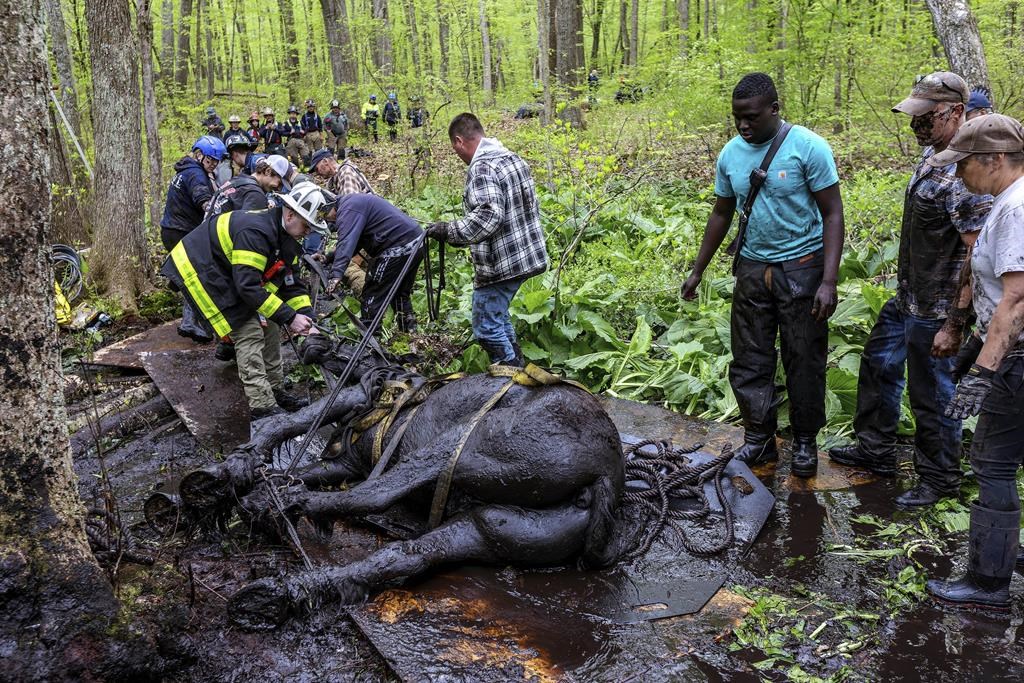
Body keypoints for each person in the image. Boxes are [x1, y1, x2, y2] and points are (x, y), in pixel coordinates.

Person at [828, 72, 992, 506]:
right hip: (908, 298)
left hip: (937, 309)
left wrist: (954, 324)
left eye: (926, 118)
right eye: (913, 117)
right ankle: (875, 450)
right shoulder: (933, 154)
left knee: (933, 395)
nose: (916, 126)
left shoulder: (966, 176)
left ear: (956, 112)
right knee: (878, 366)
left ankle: (939, 479)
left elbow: (979, 258)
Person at [679, 72, 844, 478]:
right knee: (750, 357)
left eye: (751, 117)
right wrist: (698, 270)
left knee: (803, 358)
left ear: (774, 109)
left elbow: (833, 213)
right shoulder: (731, 154)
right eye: (737, 117)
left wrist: (828, 280)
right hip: (752, 270)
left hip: (802, 268)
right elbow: (721, 211)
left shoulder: (808, 148)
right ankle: (759, 437)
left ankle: (805, 440)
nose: (743, 125)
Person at [924, 114, 1024, 609]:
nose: (959, 174)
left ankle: (988, 583)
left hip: (1017, 358)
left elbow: (1018, 299)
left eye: (965, 164)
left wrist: (984, 371)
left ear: (996, 160)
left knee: (993, 463)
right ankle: (1010, 552)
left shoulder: (1015, 211)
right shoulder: (1006, 202)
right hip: (1008, 348)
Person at [160, 182, 330, 419]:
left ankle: (275, 389)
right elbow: (248, 287)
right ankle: (262, 407)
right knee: (248, 329)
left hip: (232, 273)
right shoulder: (256, 232)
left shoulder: (288, 238)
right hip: (203, 268)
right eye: (307, 225)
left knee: (271, 324)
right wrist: (290, 317)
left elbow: (291, 284)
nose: (308, 232)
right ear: (290, 213)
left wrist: (307, 318)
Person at [425, 113, 549, 366]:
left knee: (486, 327)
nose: (458, 156)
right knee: (498, 318)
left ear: (459, 141)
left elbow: (488, 215)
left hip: (501, 265)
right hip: (524, 257)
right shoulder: (511, 158)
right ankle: (518, 365)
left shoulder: (482, 167)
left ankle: (510, 379)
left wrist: (449, 231)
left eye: (454, 149)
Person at [159, 135, 227, 342]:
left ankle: (175, 280)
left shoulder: (186, 170)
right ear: (199, 155)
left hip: (171, 229)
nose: (213, 164)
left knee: (189, 272)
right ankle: (188, 322)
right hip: (182, 231)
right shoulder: (196, 174)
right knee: (197, 276)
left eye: (216, 161)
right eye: (210, 160)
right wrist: (212, 207)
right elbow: (201, 196)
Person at [325, 194, 423, 332]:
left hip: (397, 247)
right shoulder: (353, 202)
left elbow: (346, 241)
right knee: (399, 293)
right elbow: (355, 242)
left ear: (328, 205)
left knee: (372, 293)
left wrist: (336, 275)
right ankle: (410, 333)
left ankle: (371, 340)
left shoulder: (348, 208)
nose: (331, 221)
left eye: (327, 217)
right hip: (416, 241)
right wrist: (328, 258)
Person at [206, 154, 288, 220]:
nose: (279, 188)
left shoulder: (238, 180)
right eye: (279, 183)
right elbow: (248, 233)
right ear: (268, 171)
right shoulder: (255, 195)